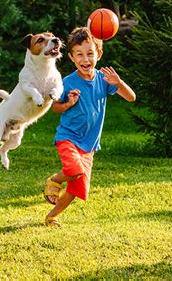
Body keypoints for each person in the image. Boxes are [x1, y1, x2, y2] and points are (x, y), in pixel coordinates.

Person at [43, 27, 136, 227]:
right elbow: (55, 107)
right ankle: (54, 180)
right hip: (68, 137)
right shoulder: (67, 82)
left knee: (77, 189)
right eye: (80, 54)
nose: (85, 59)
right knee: (74, 170)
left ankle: (52, 216)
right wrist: (68, 104)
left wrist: (119, 83)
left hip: (89, 145)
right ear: (71, 57)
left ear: (99, 55)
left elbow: (131, 97)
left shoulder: (104, 80)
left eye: (90, 54)